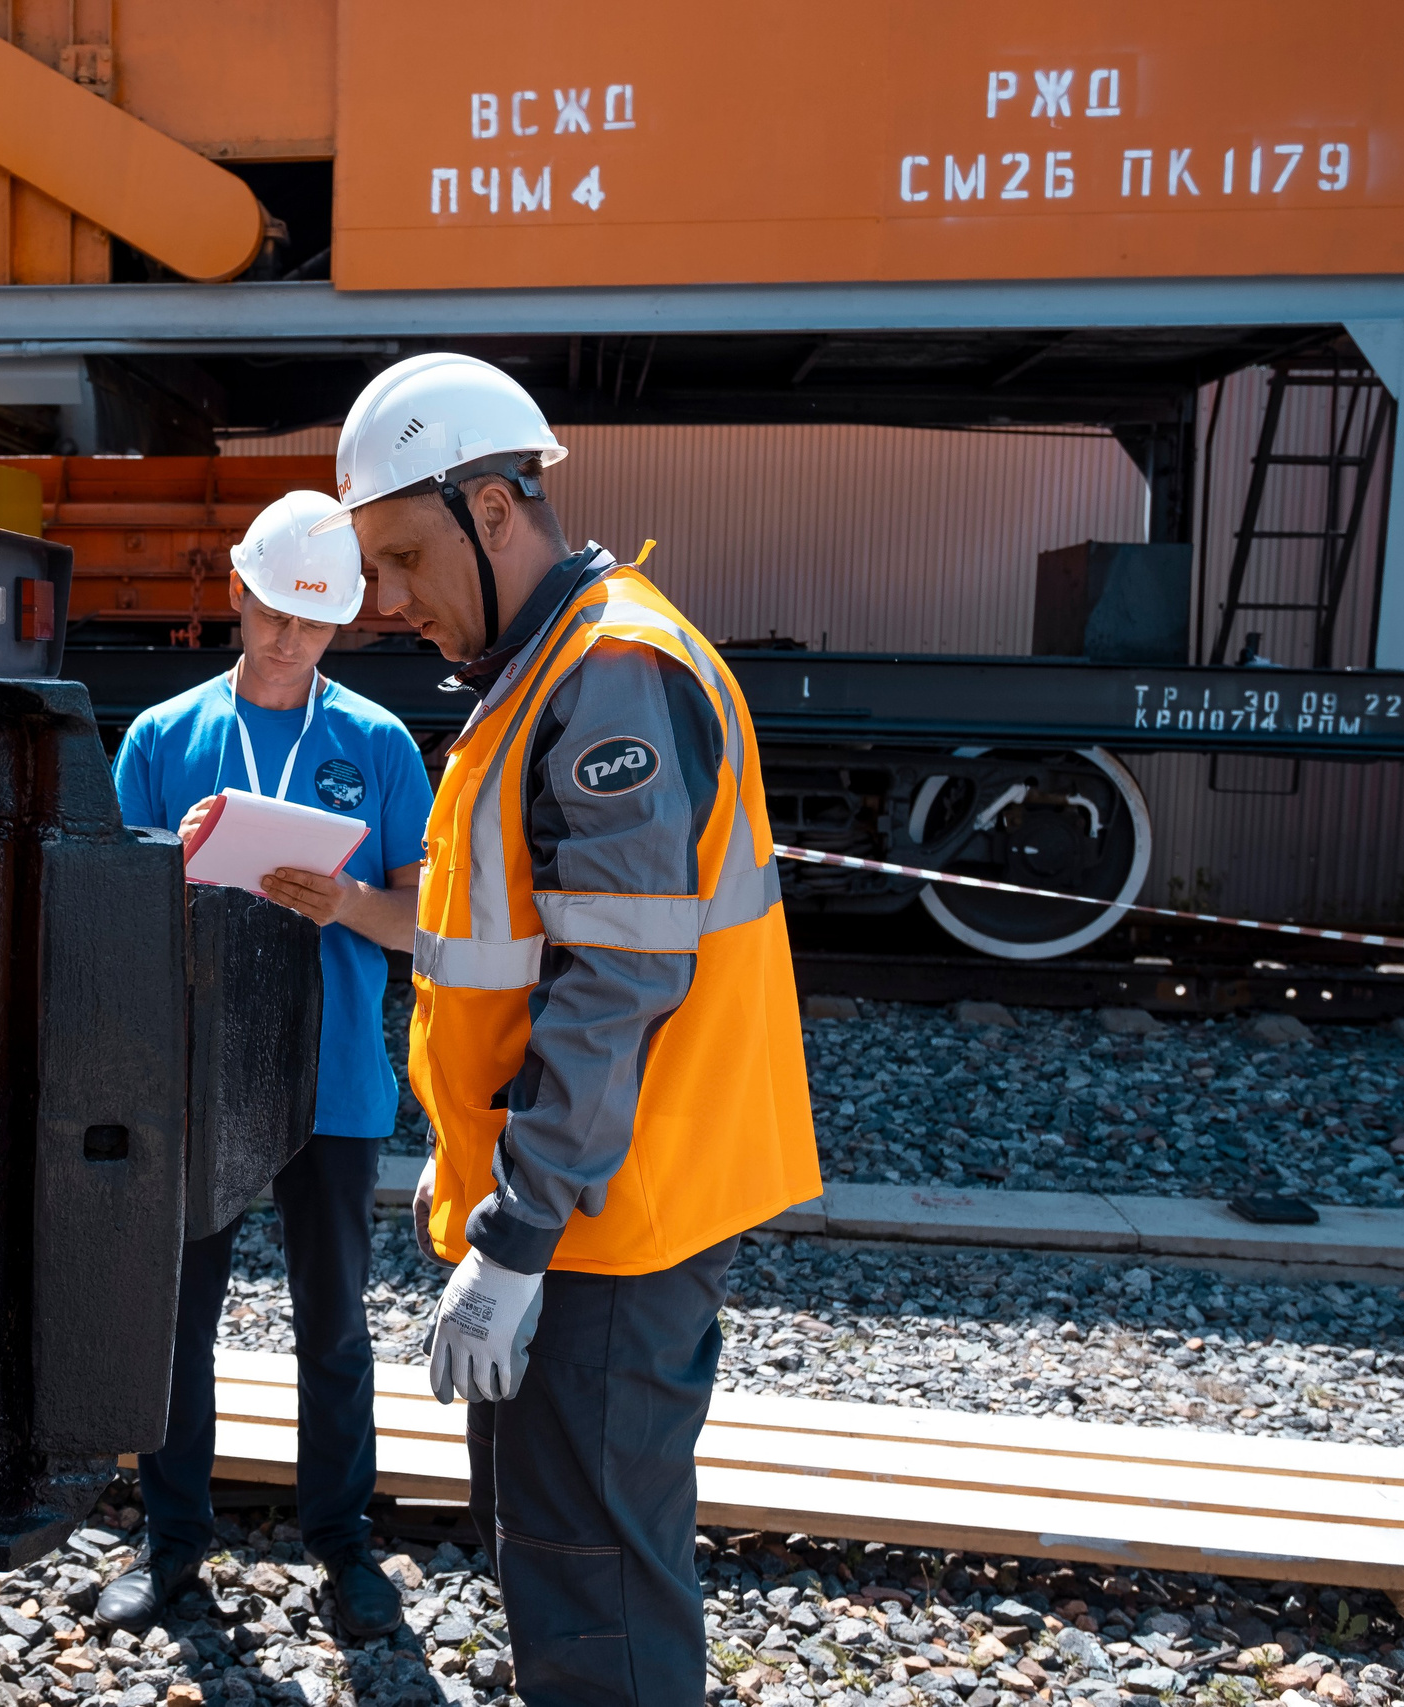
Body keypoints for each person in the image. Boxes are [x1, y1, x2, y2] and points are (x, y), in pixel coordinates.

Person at [317, 353, 821, 1704]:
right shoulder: (544, 666)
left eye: (406, 556)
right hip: (585, 1198)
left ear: (493, 506)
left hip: (608, 1222)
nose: (388, 601)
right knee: (570, 1566)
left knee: (593, 1590)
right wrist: (474, 1151)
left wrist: (519, 1229)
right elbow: (515, 954)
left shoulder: (607, 674)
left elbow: (615, 984)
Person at [103, 488, 432, 1641]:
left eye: (316, 619)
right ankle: (172, 1542)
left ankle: (342, 1545)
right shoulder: (160, 739)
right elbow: (106, 925)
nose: (291, 637)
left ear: (339, 623)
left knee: (333, 1324)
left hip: (334, 1081)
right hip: (192, 1081)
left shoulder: (377, 746)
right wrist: (172, 876)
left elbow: (426, 920)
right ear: (237, 594)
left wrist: (344, 901)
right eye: (275, 610)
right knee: (175, 1325)